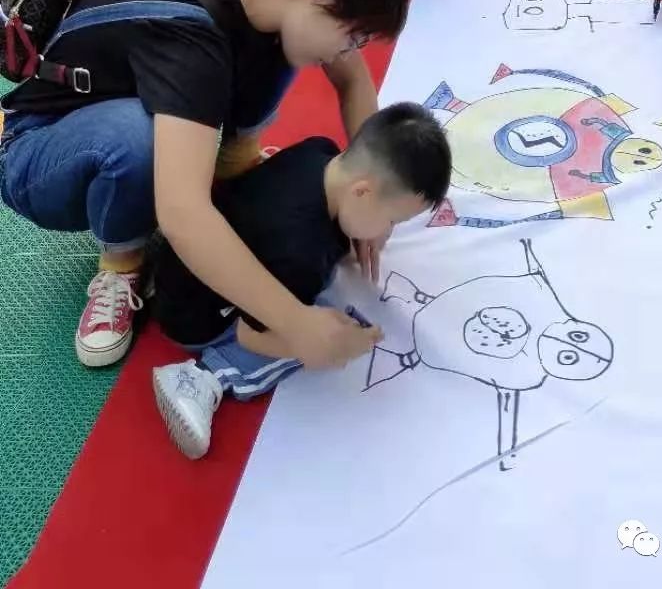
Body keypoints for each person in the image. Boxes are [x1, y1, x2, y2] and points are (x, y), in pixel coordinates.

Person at [0, 0, 413, 371]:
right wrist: (297, 324)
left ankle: (230, 169)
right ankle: (122, 262)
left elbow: (352, 77)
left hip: (129, 96)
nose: (345, 53)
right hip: (38, 152)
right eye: (351, 37)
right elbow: (183, 215)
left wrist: (374, 181)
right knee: (138, 140)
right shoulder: (187, 32)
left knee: (289, 44)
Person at [151, 103, 450, 459]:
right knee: (323, 332)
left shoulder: (320, 151)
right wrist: (331, 345)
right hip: (195, 314)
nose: (387, 233)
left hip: (173, 261)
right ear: (362, 192)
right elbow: (253, 333)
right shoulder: (300, 255)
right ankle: (204, 377)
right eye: (391, 222)